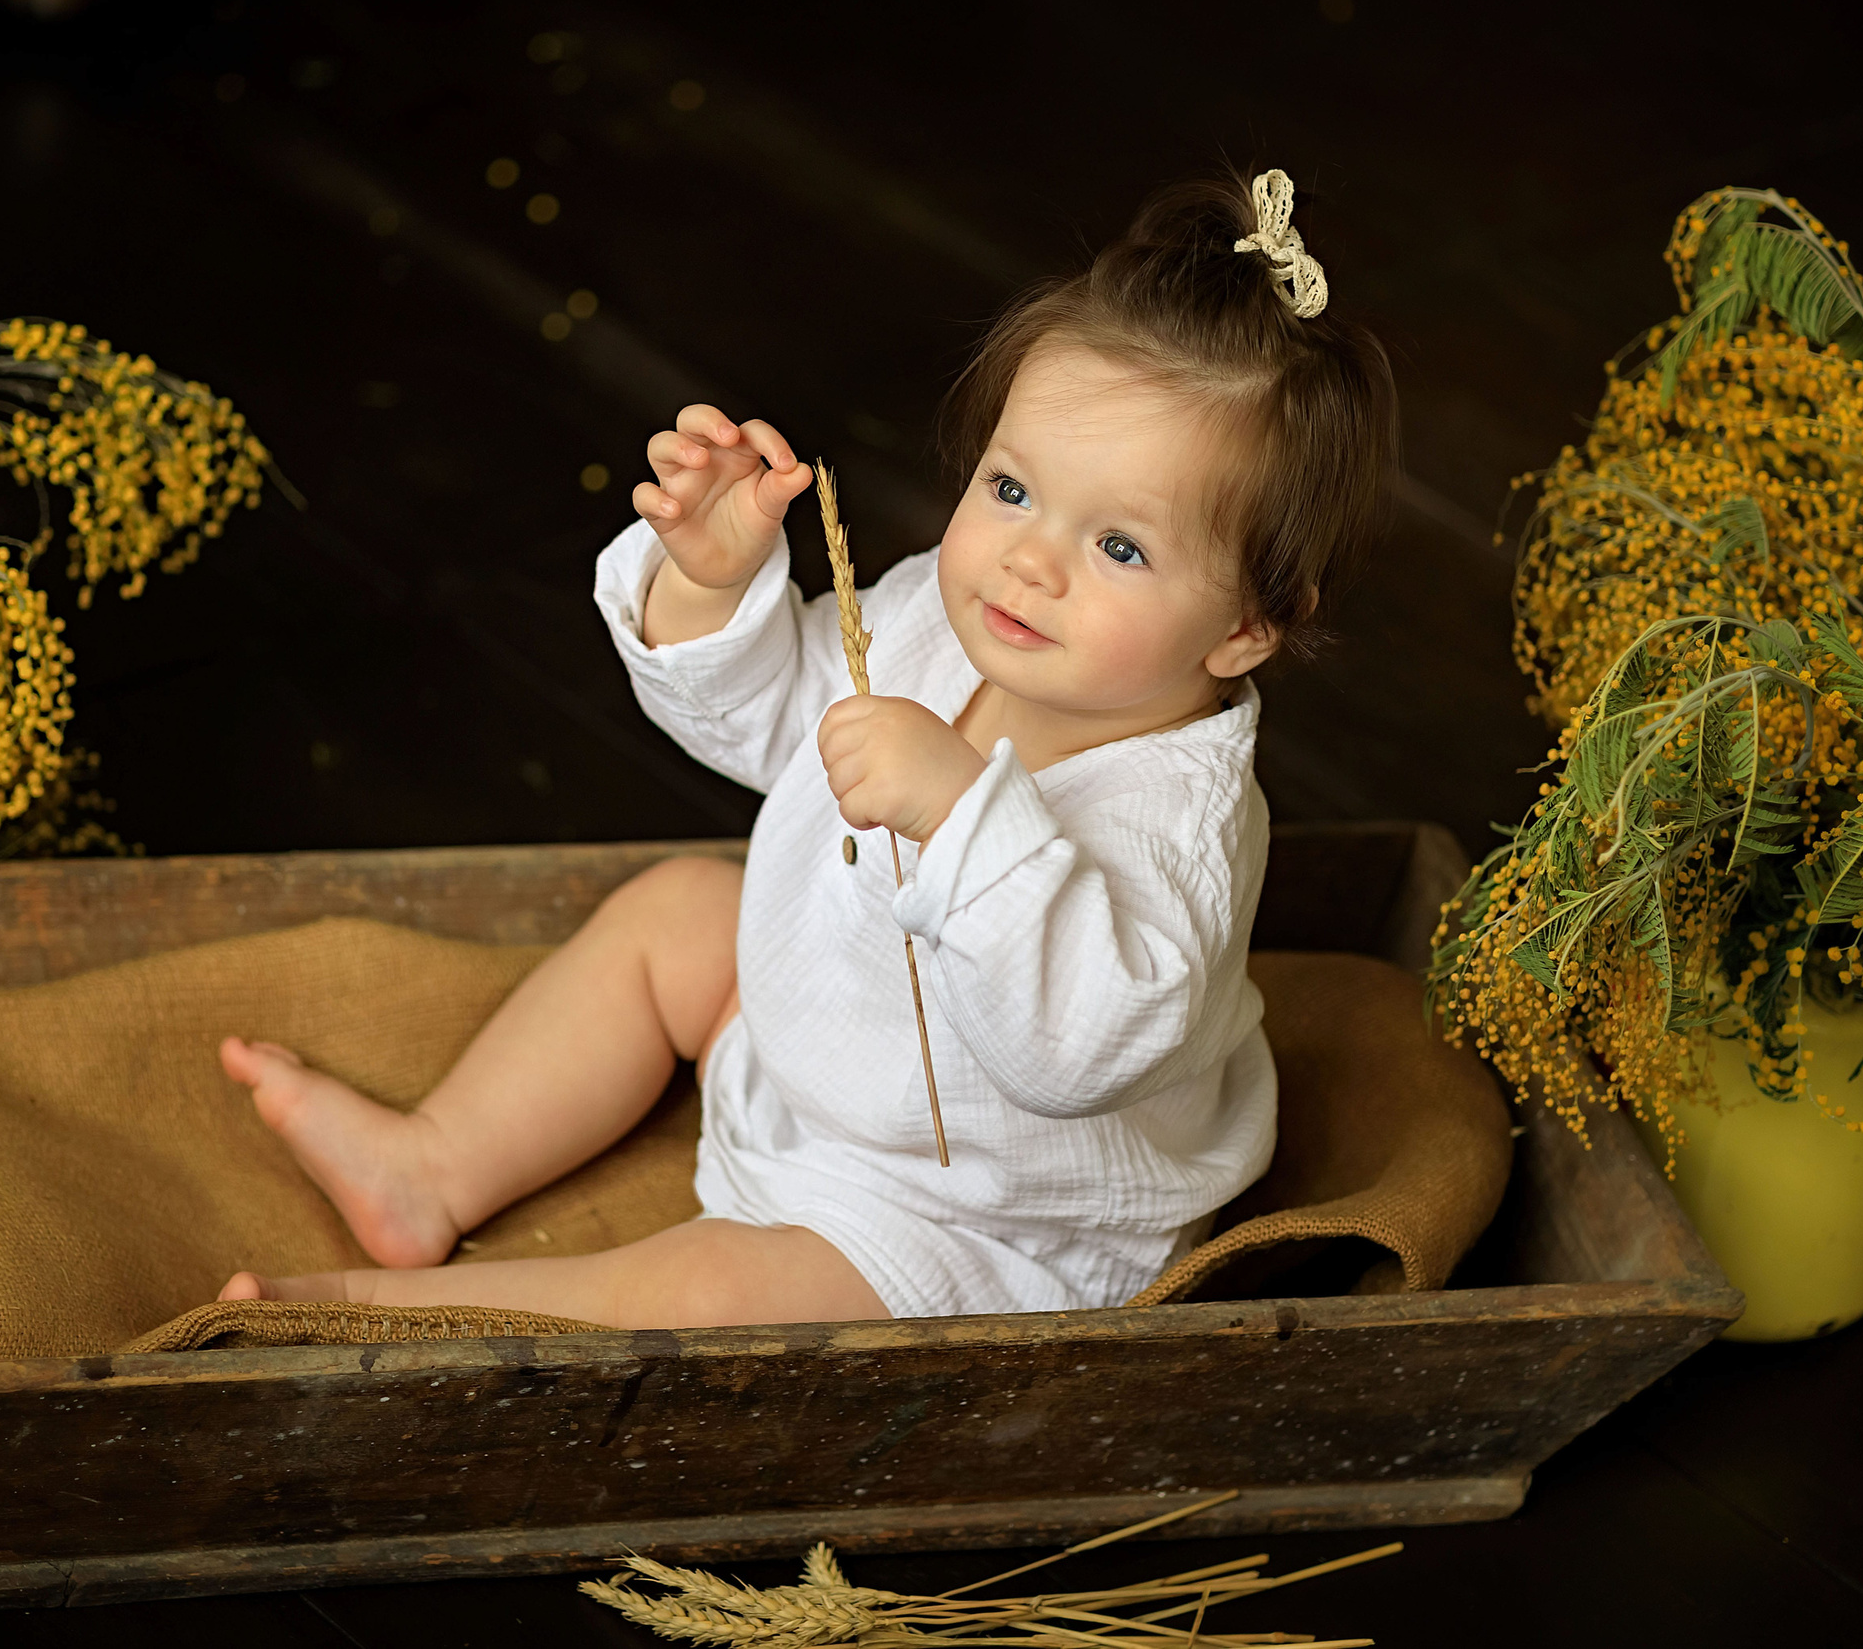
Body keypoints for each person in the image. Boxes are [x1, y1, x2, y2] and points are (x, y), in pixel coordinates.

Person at [216, 169, 1396, 1327]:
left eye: (1122, 548)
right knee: (675, 912)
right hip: (820, 1057)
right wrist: (710, 586)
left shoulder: (1173, 821)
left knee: (709, 1292)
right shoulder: (946, 613)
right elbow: (777, 720)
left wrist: (954, 810)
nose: (1030, 561)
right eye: (1012, 488)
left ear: (1246, 627)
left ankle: (384, 1317)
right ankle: (430, 1166)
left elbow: (1078, 1051)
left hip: (981, 1218)